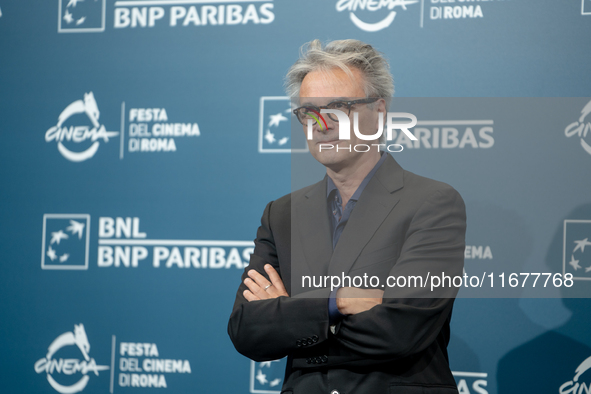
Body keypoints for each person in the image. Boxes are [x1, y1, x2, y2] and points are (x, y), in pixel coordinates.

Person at [228, 39, 466, 394]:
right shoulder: (282, 213)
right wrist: (338, 303)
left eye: (339, 107)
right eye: (309, 111)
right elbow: (248, 330)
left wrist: (292, 315)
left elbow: (399, 332)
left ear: (379, 111)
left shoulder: (432, 202)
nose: (321, 123)